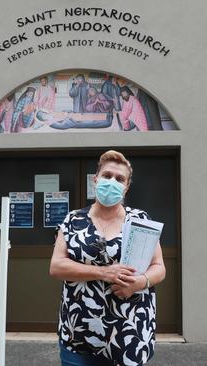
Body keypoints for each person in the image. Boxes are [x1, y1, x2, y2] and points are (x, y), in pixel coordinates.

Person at [50, 150, 166, 366]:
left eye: (120, 179)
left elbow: (159, 267)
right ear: (96, 179)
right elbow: (56, 266)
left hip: (128, 333)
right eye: (107, 176)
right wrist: (103, 272)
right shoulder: (73, 220)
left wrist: (140, 282)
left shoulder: (140, 220)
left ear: (127, 186)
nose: (112, 182)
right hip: (79, 333)